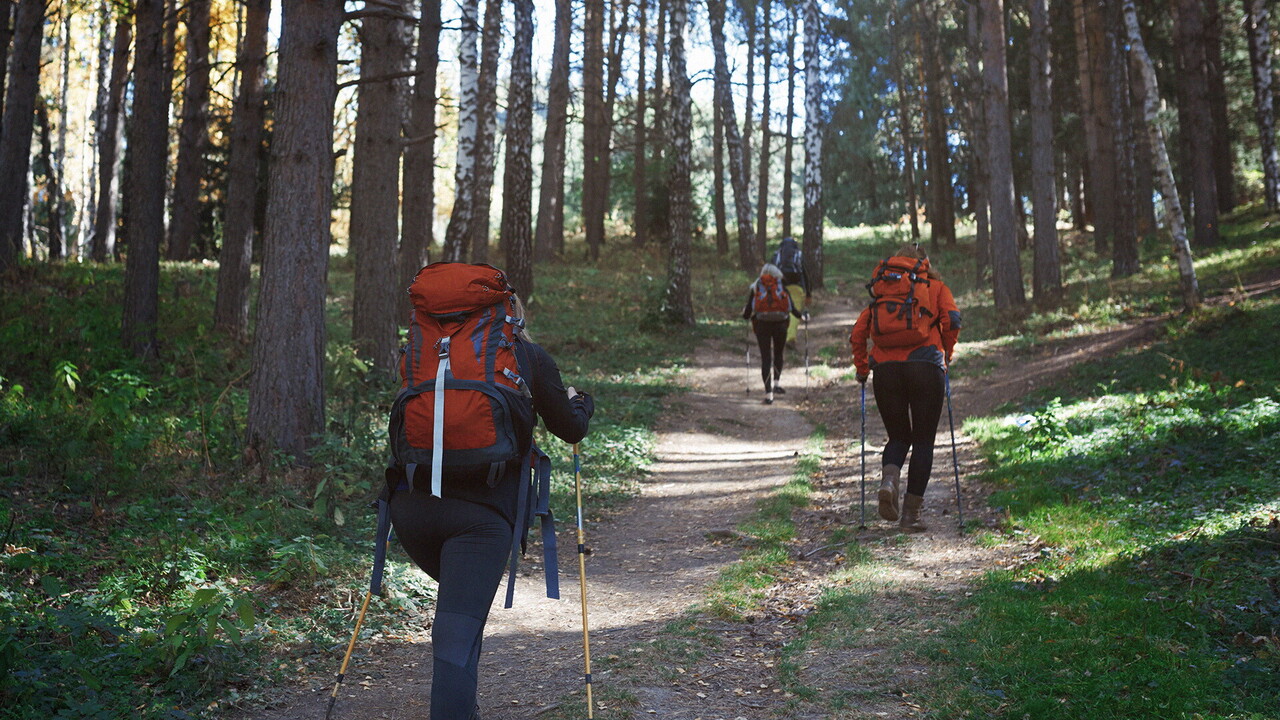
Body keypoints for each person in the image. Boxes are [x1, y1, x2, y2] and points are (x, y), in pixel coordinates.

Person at [388, 289, 594, 720]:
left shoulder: (428, 353)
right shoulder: (526, 356)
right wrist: (581, 403)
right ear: (509, 314)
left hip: (410, 510)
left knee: (460, 616)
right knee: (457, 633)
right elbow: (570, 429)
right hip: (479, 521)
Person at [848, 244, 961, 531]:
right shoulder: (935, 287)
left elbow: (859, 332)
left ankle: (889, 480)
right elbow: (953, 319)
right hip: (925, 367)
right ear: (924, 262)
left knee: (898, 437)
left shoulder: (883, 289)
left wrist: (863, 369)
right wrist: (945, 354)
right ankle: (911, 516)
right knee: (923, 441)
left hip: (886, 371)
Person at [743, 262, 806, 404]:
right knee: (778, 353)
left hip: (762, 326)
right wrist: (802, 316)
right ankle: (777, 384)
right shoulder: (781, 286)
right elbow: (792, 308)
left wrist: (746, 315)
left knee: (766, 358)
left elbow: (748, 313)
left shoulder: (756, 287)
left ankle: (768, 393)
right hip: (781, 325)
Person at [770, 236, 811, 346]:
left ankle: (779, 338)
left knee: (781, 312)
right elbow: (806, 275)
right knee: (794, 313)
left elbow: (770, 273)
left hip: (780, 288)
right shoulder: (799, 255)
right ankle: (790, 338)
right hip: (797, 288)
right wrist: (808, 293)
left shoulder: (776, 255)